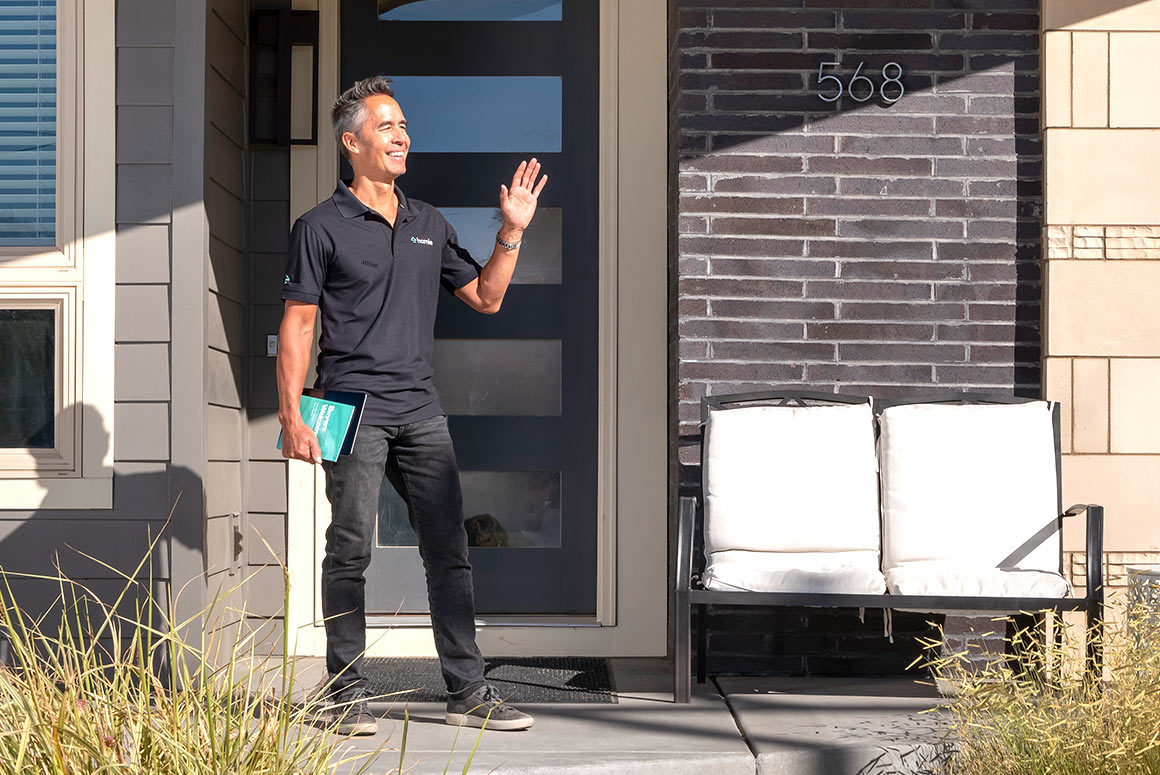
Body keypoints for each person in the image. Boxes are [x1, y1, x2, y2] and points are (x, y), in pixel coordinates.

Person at [276, 75, 545, 735]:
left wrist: (511, 233)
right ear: (352, 142)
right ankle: (344, 693)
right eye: (387, 126)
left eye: (403, 126)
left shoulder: (429, 222)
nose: (402, 136)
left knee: (448, 546)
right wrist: (291, 414)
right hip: (347, 404)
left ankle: (469, 690)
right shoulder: (318, 228)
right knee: (348, 547)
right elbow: (298, 325)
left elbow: (486, 297)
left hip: (420, 408)